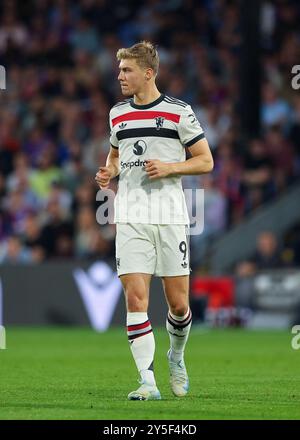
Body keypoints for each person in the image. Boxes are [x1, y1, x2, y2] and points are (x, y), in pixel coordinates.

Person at [95, 41, 213, 401]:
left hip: (170, 217)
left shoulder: (179, 112)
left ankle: (176, 357)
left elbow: (206, 161)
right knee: (135, 296)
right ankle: (147, 380)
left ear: (148, 73)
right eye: (119, 71)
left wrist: (171, 167)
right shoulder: (118, 113)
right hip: (130, 216)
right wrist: (109, 172)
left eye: (127, 71)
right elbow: (116, 154)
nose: (120, 77)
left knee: (178, 305)